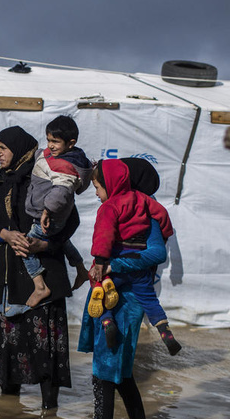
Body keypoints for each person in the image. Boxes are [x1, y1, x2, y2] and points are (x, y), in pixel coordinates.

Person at [0, 125, 78, 411]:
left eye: (3, 148)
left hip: (42, 277)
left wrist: (43, 246)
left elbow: (69, 223)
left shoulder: (45, 179)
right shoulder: (0, 185)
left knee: (45, 354)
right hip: (8, 281)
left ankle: (50, 410)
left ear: (19, 150)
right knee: (8, 354)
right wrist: (5, 235)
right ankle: (8, 410)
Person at [78, 159, 173, 419]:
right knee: (112, 372)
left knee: (113, 371)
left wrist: (112, 265)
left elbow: (156, 254)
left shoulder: (147, 215)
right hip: (110, 293)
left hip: (126, 299)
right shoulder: (127, 208)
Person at [87, 159, 180, 354]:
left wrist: (103, 262)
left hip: (115, 263)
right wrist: (167, 231)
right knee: (150, 299)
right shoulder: (143, 200)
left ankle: (107, 321)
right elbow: (161, 213)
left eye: (97, 188)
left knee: (98, 284)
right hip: (139, 269)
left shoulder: (109, 206)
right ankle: (164, 330)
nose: (96, 193)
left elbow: (103, 236)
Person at [22, 115, 92, 307]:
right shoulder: (59, 157)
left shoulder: (64, 166)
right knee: (64, 241)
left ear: (71, 143)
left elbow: (60, 192)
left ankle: (40, 286)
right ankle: (80, 268)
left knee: (24, 247)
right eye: (49, 140)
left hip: (47, 216)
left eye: (55, 141)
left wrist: (47, 211)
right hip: (58, 217)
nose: (50, 146)